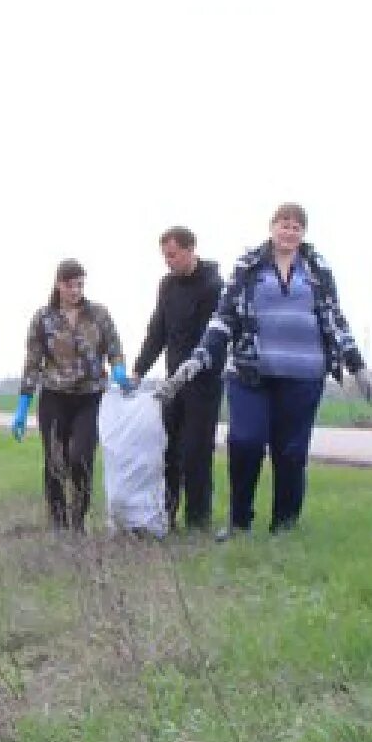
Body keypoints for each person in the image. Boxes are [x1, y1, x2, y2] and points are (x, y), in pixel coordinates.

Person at [162, 202, 372, 539]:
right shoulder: (249, 267)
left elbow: (335, 319)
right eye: (284, 224)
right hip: (251, 374)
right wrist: (199, 357)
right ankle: (239, 522)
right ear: (272, 228)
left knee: (291, 452)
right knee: (246, 441)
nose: (289, 232)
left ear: (303, 233)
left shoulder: (317, 269)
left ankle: (284, 526)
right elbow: (224, 318)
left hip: (304, 376)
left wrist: (357, 365)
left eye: (296, 226)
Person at [11, 258, 132, 534]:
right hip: (55, 396)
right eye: (70, 284)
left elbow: (114, 348)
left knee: (81, 457)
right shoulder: (43, 318)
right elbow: (32, 364)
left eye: (80, 284)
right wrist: (22, 406)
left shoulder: (99, 315)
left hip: (90, 397)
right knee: (55, 460)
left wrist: (119, 370)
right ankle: (59, 524)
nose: (75, 290)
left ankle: (78, 520)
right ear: (58, 284)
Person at [130, 227, 225, 534]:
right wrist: (138, 370)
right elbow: (157, 330)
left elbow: (213, 337)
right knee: (167, 449)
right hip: (172, 383)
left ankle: (198, 523)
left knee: (196, 451)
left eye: (172, 255)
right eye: (164, 256)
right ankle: (165, 516)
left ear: (190, 249)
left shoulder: (213, 284)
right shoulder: (167, 285)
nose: (168, 261)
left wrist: (193, 367)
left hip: (203, 382)